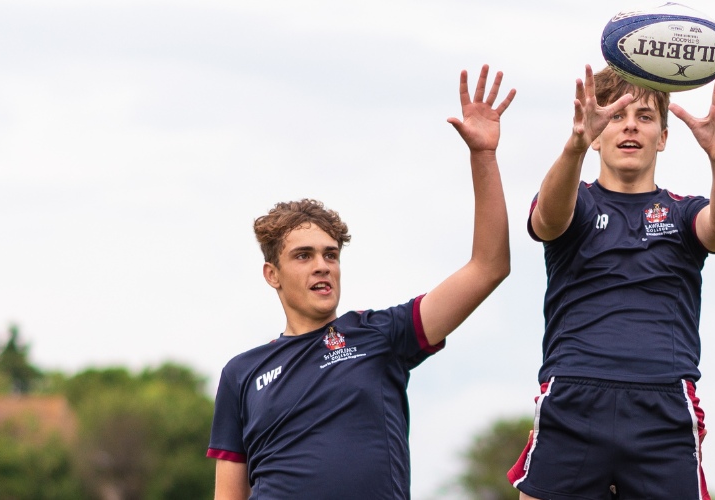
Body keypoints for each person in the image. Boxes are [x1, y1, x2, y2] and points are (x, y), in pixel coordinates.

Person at [207, 65, 516, 500]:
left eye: (330, 255)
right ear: (271, 275)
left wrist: (483, 155)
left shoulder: (381, 334)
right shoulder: (242, 373)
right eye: (304, 256)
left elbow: (488, 267)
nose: (322, 266)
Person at [507, 65, 715, 500]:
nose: (630, 124)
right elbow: (548, 220)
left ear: (664, 137)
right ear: (597, 133)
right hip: (574, 394)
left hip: (664, 403)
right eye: (615, 115)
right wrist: (574, 147)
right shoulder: (573, 199)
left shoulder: (682, 211)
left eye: (645, 115)